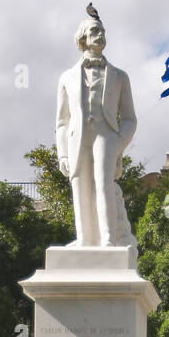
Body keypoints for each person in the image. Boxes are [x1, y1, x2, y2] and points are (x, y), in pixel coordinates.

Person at [55, 13, 137, 248]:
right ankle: (84, 239)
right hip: (77, 138)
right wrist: (62, 153)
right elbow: (62, 122)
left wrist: (119, 142)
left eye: (102, 32)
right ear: (82, 38)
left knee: (103, 184)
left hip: (107, 135)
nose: (99, 36)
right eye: (94, 31)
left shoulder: (120, 76)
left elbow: (130, 118)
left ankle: (109, 240)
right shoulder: (66, 77)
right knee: (80, 186)